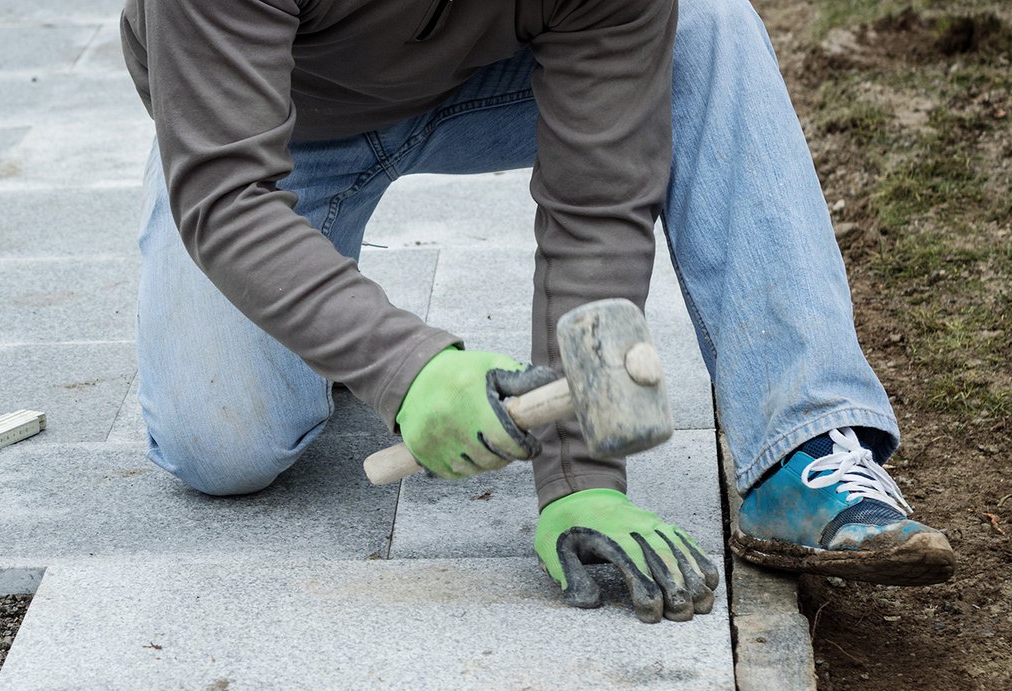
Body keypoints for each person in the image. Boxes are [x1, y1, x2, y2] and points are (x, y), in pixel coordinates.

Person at [120, 0, 955, 624]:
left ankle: (803, 444)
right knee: (220, 447)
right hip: (268, 130)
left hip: (494, 79)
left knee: (703, 21)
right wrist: (404, 366)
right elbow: (228, 194)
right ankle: (316, 292)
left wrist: (581, 479)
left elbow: (596, 204)